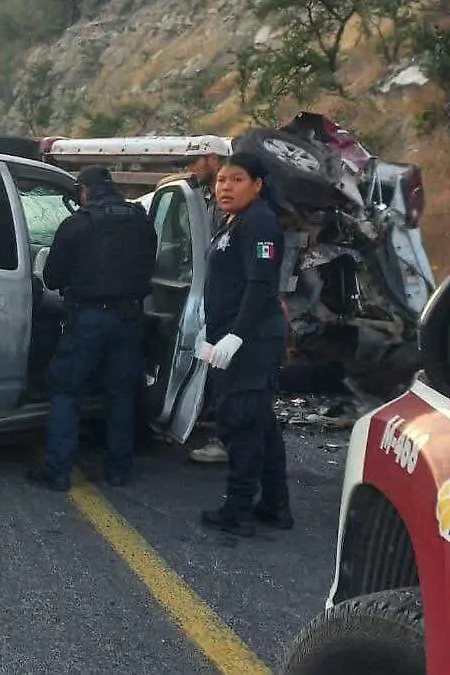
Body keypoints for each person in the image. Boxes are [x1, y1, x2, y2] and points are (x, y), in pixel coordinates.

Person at [29, 165, 158, 491]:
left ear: (84, 191)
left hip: (88, 319)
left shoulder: (77, 225)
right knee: (120, 394)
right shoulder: (141, 220)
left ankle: (58, 471)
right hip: (129, 319)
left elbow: (52, 279)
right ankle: (119, 470)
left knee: (67, 391)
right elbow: (149, 268)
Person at [196, 152, 293, 537]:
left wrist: (237, 334)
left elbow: (260, 283)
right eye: (221, 180)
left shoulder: (260, 223)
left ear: (257, 185)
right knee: (261, 424)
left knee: (240, 423)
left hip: (250, 342)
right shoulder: (236, 222)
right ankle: (274, 505)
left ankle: (236, 510)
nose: (225, 187)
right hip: (233, 337)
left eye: (236, 180)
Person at [174, 145, 233, 466]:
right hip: (210, 296)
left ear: (212, 159)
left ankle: (228, 440)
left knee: (231, 375)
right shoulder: (205, 199)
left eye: (194, 162)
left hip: (231, 303)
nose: (191, 169)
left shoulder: (235, 206)